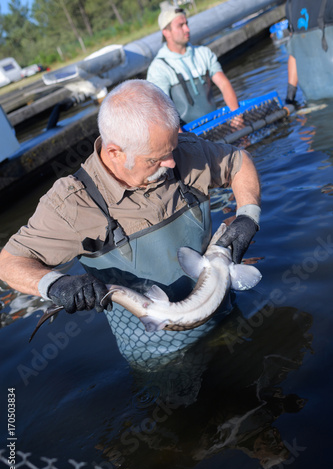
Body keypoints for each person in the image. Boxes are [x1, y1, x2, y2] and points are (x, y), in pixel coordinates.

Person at [0, 79, 260, 367]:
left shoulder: (184, 153)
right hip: (159, 355)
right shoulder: (72, 203)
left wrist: (248, 215)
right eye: (156, 159)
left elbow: (239, 161)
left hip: (224, 318)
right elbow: (9, 262)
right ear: (115, 153)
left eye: (171, 149)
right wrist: (56, 284)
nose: (172, 162)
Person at [146, 2, 242, 126]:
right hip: (187, 135)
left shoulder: (204, 53)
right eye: (181, 25)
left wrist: (237, 117)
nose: (187, 29)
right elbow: (161, 110)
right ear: (166, 32)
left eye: (187, 24)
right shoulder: (158, 68)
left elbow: (224, 84)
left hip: (216, 126)